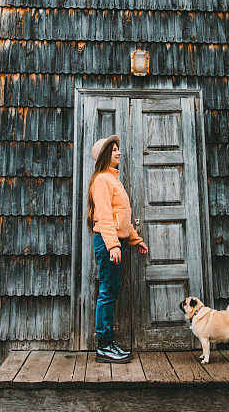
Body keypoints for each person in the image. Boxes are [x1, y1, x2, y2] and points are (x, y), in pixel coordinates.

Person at [87, 134, 148, 363]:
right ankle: (104, 346)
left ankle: (108, 343)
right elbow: (104, 216)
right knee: (107, 292)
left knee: (111, 291)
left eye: (117, 149)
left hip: (113, 241)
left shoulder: (113, 179)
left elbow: (121, 218)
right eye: (114, 150)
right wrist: (113, 244)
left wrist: (134, 239)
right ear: (105, 156)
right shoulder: (102, 180)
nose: (119, 152)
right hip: (106, 241)